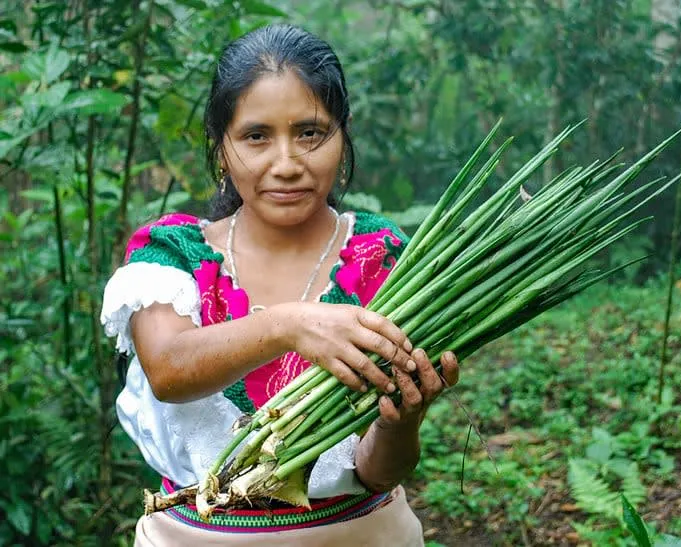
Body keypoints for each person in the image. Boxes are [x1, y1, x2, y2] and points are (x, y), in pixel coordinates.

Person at [100, 23, 459, 546]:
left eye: (310, 132)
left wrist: (402, 422)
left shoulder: (382, 260)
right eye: (256, 136)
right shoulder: (174, 254)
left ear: (343, 134)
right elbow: (169, 370)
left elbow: (378, 471)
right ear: (220, 148)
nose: (287, 164)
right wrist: (290, 324)